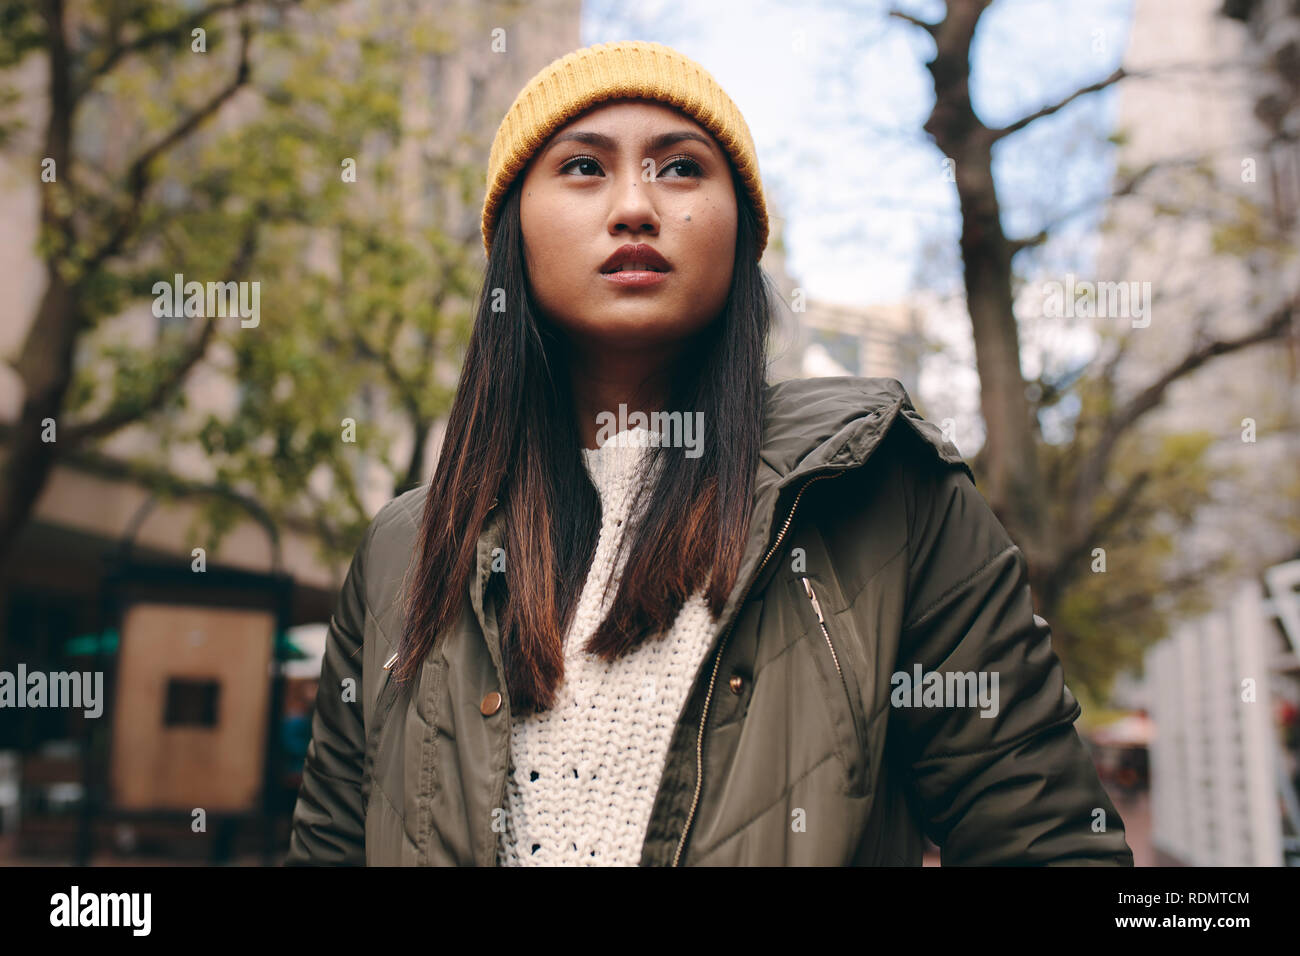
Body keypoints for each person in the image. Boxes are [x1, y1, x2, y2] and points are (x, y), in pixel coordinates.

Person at [285, 40, 1134, 867]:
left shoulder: (882, 490)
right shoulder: (403, 548)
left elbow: (1046, 840)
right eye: (583, 167)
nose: (635, 207)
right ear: (514, 234)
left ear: (743, 237)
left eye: (681, 167)